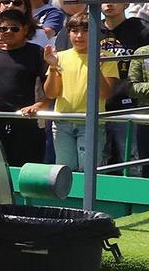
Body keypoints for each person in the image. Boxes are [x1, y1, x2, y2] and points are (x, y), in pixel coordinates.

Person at [45, 12, 116, 175]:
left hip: (91, 123)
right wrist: (54, 67)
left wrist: (96, 68)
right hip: (62, 122)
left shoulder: (106, 57)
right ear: (68, 33)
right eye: (74, 31)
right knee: (64, 172)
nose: (79, 36)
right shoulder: (59, 57)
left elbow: (105, 93)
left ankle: (91, 202)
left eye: (85, 31)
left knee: (89, 173)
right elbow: (51, 93)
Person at [0, 6, 49, 166]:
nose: (8, 32)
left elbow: (50, 88)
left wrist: (40, 105)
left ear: (25, 29)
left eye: (14, 28)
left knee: (26, 169)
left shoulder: (37, 53)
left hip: (27, 122)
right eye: (3, 28)